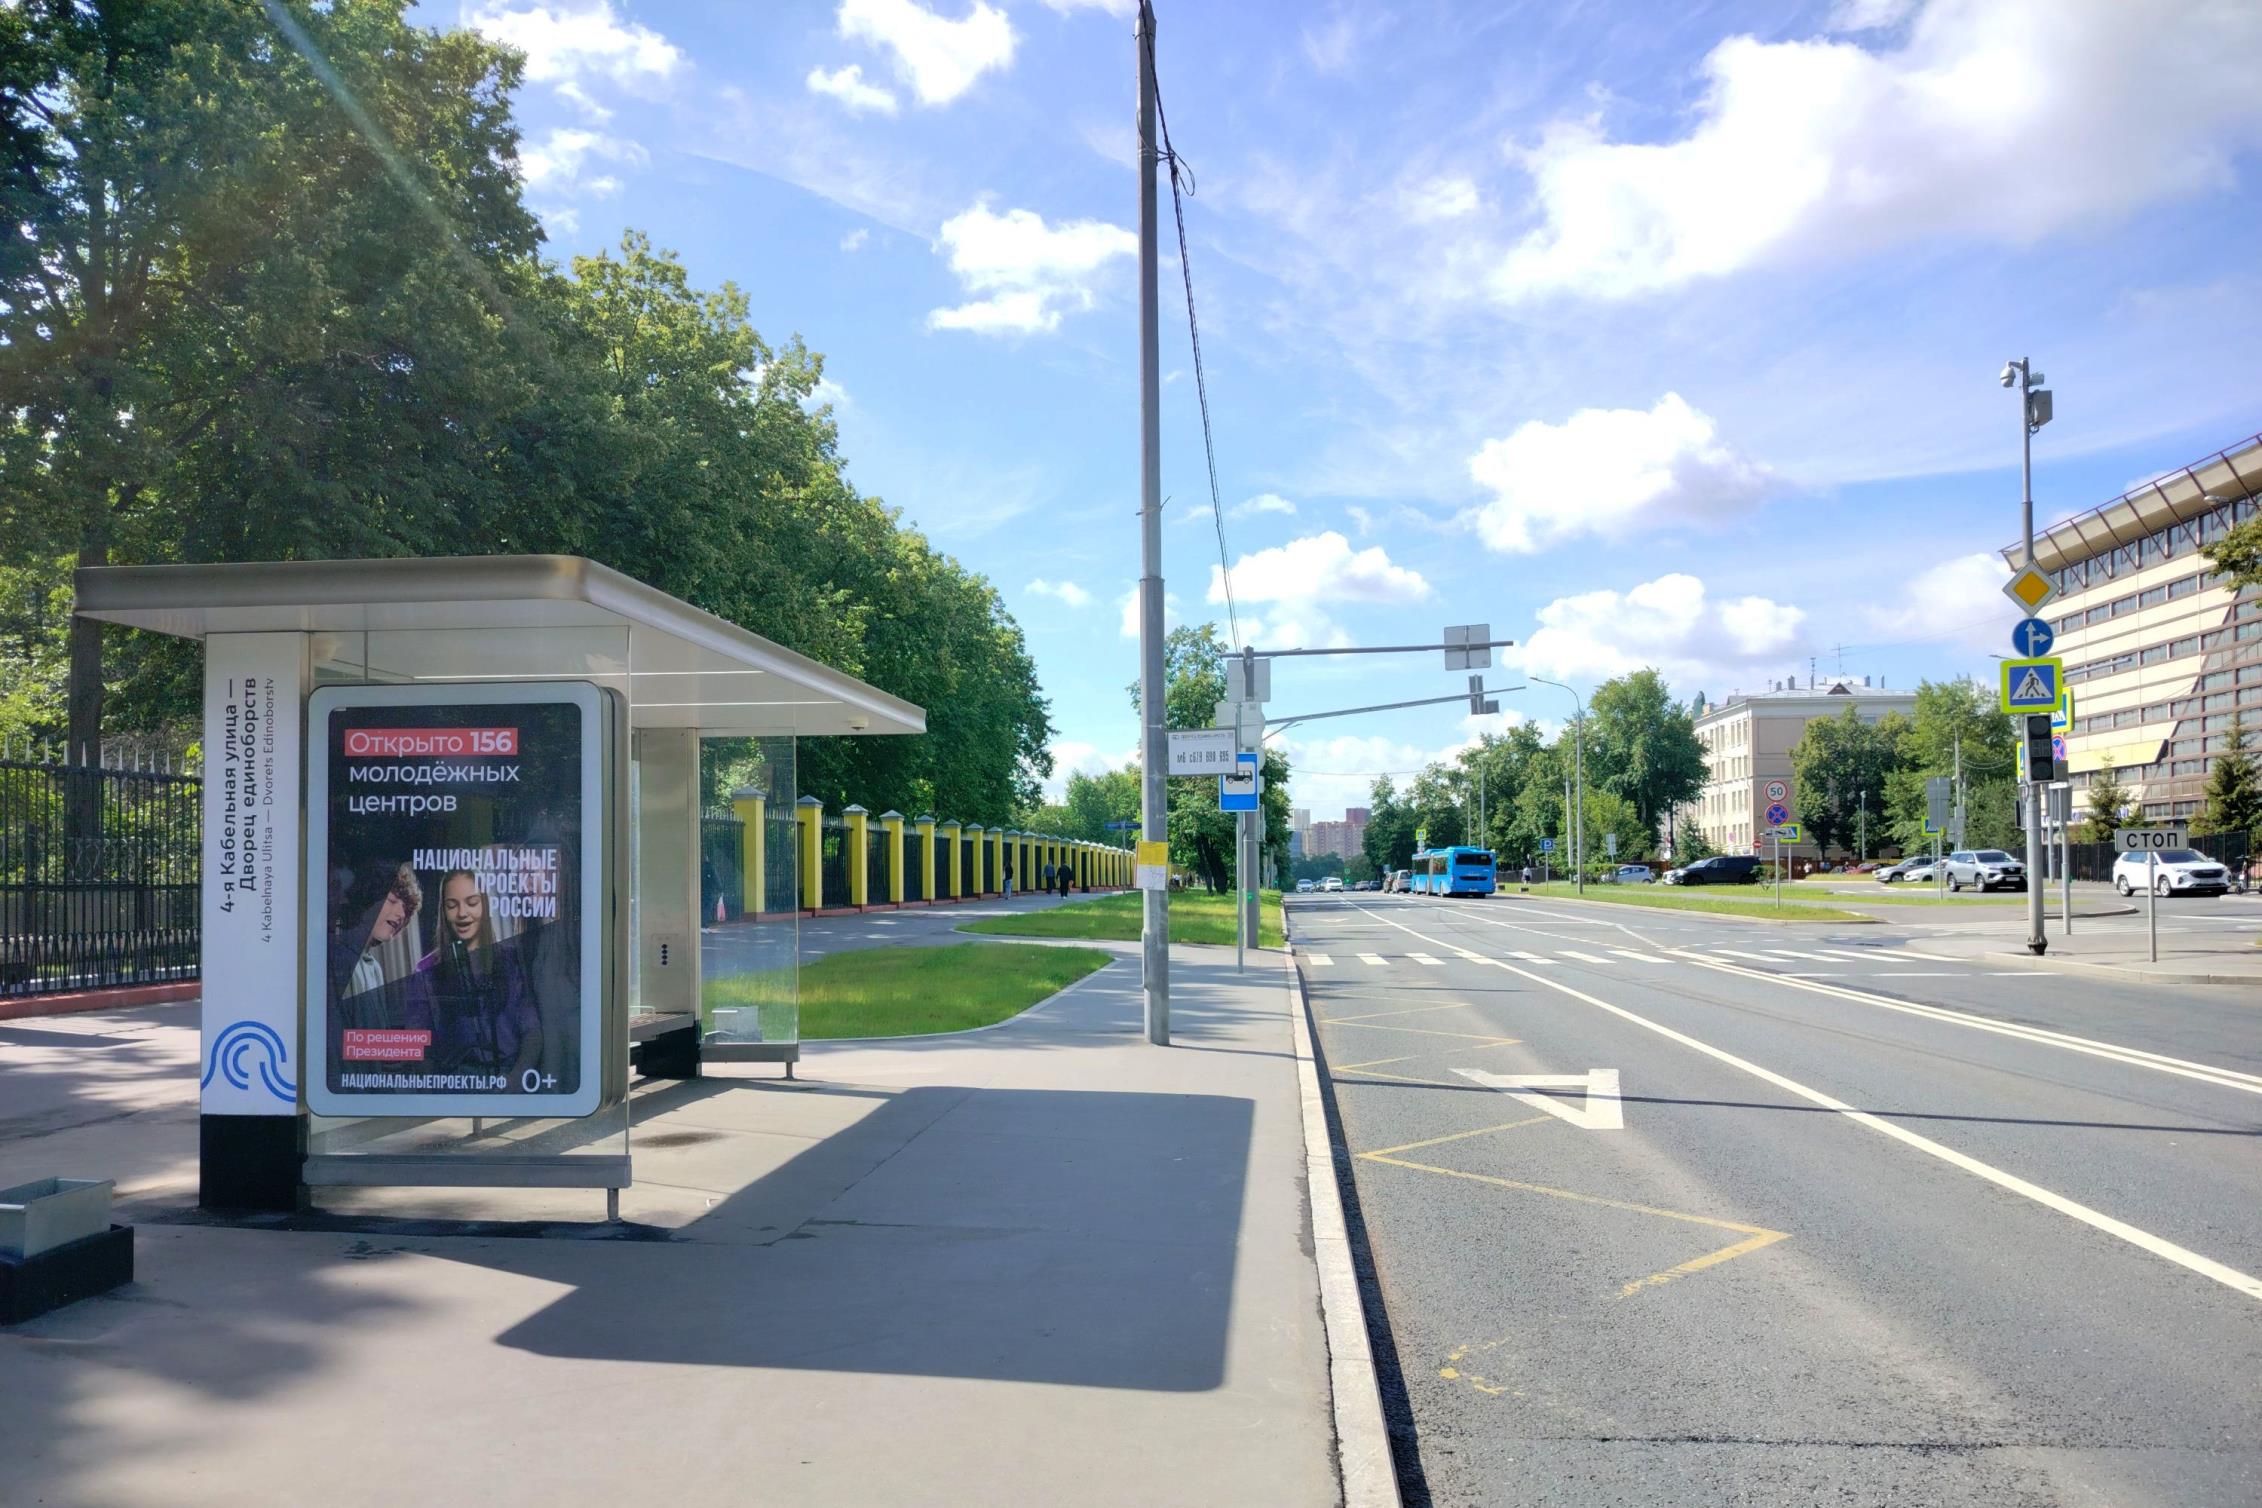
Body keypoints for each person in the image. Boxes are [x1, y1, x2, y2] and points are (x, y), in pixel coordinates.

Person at [406, 869, 541, 1084]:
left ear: (485, 905)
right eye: (452, 905)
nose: (462, 913)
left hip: (510, 1081)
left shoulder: (512, 961)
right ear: (443, 911)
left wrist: (515, 1082)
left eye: (472, 902)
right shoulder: (425, 971)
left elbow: (532, 1032)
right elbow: (419, 1051)